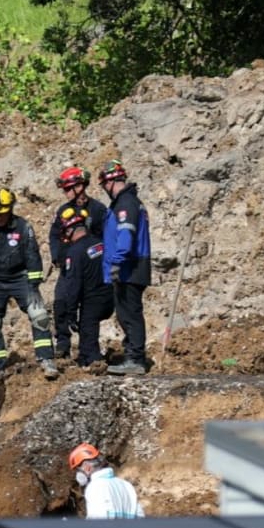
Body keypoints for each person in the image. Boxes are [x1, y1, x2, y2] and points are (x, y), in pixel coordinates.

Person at [0, 186, 58, 379]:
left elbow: (32, 256)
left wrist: (34, 285)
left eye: (2, 214)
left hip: (20, 278)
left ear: (10, 209)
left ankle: (46, 359)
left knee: (39, 315)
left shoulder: (23, 227)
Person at [99, 160, 152, 375]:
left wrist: (116, 262)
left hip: (130, 267)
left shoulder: (126, 203)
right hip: (130, 265)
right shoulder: (127, 202)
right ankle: (133, 355)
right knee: (125, 312)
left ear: (110, 182)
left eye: (104, 185)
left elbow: (125, 236)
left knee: (130, 313)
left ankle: (136, 359)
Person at [49, 167, 107, 359]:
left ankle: (89, 351)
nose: (66, 194)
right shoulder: (64, 211)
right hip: (70, 265)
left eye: (68, 189)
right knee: (61, 302)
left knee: (90, 310)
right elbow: (54, 236)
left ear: (80, 186)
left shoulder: (98, 210)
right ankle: (63, 343)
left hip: (92, 267)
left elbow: (105, 238)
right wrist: (58, 257)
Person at [56, 207, 114, 367]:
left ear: (70, 230)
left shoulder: (74, 252)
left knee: (87, 342)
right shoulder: (101, 243)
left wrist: (71, 312)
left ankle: (93, 364)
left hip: (92, 301)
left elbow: (73, 285)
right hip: (111, 296)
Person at [68, 443, 144, 519]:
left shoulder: (95, 487)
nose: (77, 476)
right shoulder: (126, 485)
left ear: (87, 468)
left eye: (78, 471)